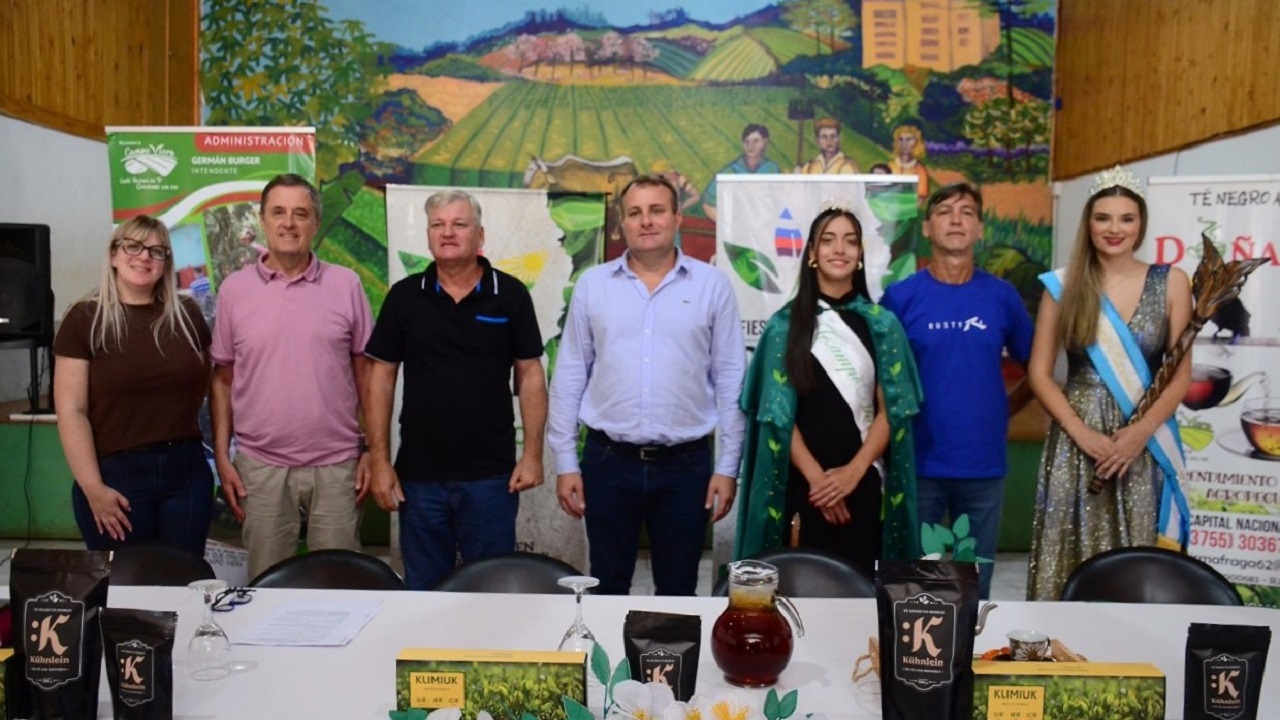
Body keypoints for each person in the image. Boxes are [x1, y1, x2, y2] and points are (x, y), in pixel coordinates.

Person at [550, 175, 746, 595]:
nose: (646, 221)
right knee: (607, 586)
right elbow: (570, 374)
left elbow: (730, 378)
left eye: (657, 210)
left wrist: (728, 467)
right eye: (635, 213)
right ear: (621, 224)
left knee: (678, 591)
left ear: (677, 217)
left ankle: (669, 643)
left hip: (686, 466)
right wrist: (565, 462)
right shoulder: (593, 286)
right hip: (607, 461)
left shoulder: (712, 285)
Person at [363, 190, 547, 591]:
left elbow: (530, 373)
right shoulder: (404, 297)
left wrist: (533, 454)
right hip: (419, 478)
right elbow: (381, 377)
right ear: (428, 236)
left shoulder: (510, 295)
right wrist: (379, 461)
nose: (448, 232)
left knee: (491, 588)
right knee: (425, 592)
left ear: (479, 235)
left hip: (492, 477)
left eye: (459, 224)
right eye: (438, 225)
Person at [1026, 166, 1192, 601]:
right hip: (1076, 438)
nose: (1114, 229)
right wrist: (1081, 433)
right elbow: (1039, 373)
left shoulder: (1172, 282)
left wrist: (1139, 434)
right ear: (1089, 223)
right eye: (1103, 218)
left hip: (1142, 440)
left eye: (1126, 218)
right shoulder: (1062, 286)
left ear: (1141, 224)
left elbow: (1180, 377)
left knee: (1136, 552)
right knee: (1069, 553)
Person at [735, 206, 922, 578]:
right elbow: (777, 416)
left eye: (850, 241)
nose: (840, 249)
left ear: (860, 255)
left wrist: (853, 473)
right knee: (799, 593)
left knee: (861, 593)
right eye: (828, 240)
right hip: (803, 488)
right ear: (812, 254)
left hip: (863, 486)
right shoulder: (785, 327)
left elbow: (892, 411)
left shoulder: (883, 326)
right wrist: (819, 481)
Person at [210, 173, 373, 580]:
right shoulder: (234, 291)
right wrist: (223, 456)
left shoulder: (346, 285)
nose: (289, 223)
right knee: (266, 586)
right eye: (278, 212)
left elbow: (367, 374)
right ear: (262, 220)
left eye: (300, 214)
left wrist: (372, 449)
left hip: (337, 465)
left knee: (339, 584)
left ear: (316, 222)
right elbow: (223, 378)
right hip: (261, 467)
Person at [880, 183, 1034, 599]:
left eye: (967, 212)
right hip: (918, 464)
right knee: (915, 584)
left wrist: (1002, 410)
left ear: (979, 229)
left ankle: (969, 642)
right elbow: (880, 381)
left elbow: (1037, 371)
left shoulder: (1002, 297)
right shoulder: (900, 297)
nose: (955, 220)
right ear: (927, 227)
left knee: (974, 585)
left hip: (982, 466)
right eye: (945, 211)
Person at [53, 216, 214, 558]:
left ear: (166, 262)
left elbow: (203, 386)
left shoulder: (187, 315)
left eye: (157, 251)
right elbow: (71, 411)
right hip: (115, 478)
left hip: (186, 474)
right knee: (126, 585)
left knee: (185, 580)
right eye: (133, 247)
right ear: (113, 254)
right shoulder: (83, 319)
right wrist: (93, 488)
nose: (144, 257)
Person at [702, 124, 781, 222]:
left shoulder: (772, 169)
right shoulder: (731, 171)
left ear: (765, 142)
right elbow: (708, 204)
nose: (750, 146)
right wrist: (731, 224)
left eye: (756, 141)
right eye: (746, 142)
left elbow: (779, 202)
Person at [795, 118, 860, 175]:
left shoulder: (847, 165)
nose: (829, 141)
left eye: (833, 136)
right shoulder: (810, 166)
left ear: (839, 138)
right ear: (817, 140)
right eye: (824, 137)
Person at [887, 124, 929, 203]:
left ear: (917, 142)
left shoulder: (919, 170)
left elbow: (921, 197)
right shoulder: (890, 166)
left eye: (909, 139)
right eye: (900, 139)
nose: (904, 144)